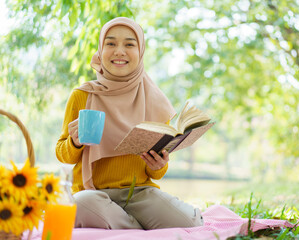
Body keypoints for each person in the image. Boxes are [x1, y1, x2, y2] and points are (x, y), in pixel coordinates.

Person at [55, 17, 203, 230]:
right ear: (100, 49)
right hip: (94, 195)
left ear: (140, 51)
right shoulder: (82, 95)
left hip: (140, 193)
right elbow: (63, 154)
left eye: (129, 44)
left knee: (191, 222)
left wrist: (159, 165)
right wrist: (75, 143)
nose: (119, 51)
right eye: (111, 43)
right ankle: (137, 230)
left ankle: (124, 227)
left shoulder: (155, 99)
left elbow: (156, 172)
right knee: (79, 203)